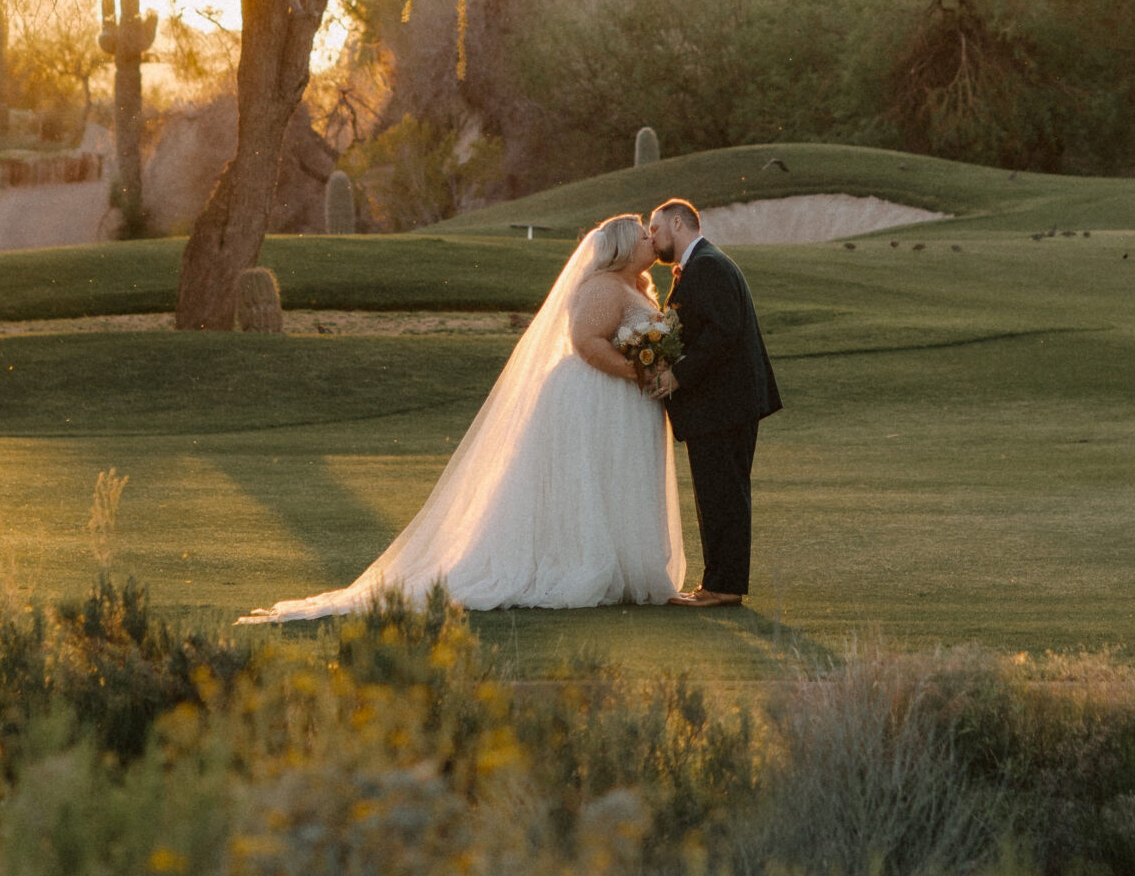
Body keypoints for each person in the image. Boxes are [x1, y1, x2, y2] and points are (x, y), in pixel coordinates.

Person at [239, 213, 683, 619]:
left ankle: (623, 568)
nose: (652, 240)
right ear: (624, 248)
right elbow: (586, 342)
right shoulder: (604, 286)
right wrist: (635, 372)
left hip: (619, 403)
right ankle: (585, 563)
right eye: (644, 235)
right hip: (594, 400)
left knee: (615, 481)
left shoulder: (634, 288)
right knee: (587, 481)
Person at [647, 197, 784, 608]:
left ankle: (723, 587)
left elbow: (723, 333)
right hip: (720, 405)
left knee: (724, 493)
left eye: (654, 229)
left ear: (676, 223)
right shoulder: (701, 264)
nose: (651, 238)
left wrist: (677, 374)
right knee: (716, 493)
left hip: (725, 404)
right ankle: (717, 583)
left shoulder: (707, 265)